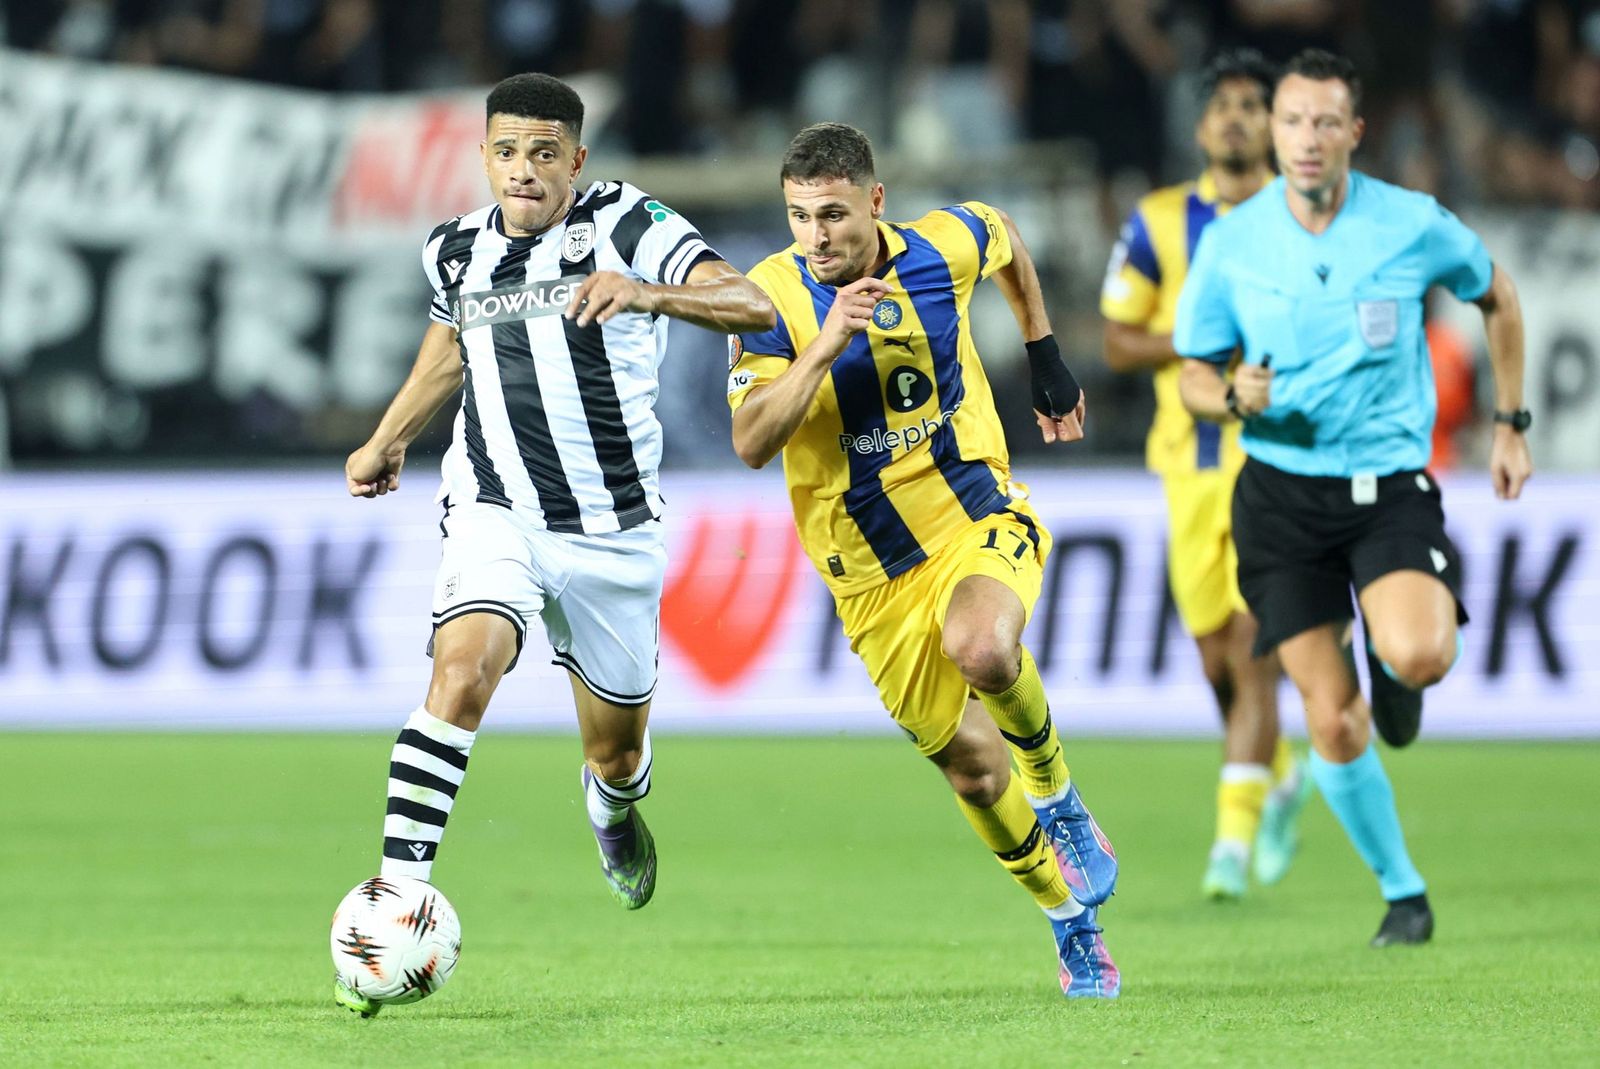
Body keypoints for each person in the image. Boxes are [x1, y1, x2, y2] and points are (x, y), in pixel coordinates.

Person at [337, 72, 774, 1014]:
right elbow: (449, 346)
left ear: (577, 159)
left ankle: (612, 811)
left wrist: (646, 293)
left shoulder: (628, 223)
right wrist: (389, 438)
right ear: (484, 158)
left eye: (544, 153)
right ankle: (396, 901)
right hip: (496, 508)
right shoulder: (454, 249)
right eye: (506, 152)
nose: (523, 170)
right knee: (463, 669)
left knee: (616, 755)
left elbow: (752, 303)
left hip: (615, 533)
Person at [727, 122, 1120, 999]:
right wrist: (824, 343)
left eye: (833, 214)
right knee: (974, 773)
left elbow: (1004, 234)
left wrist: (1045, 351)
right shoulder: (769, 298)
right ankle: (1069, 919)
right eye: (799, 217)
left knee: (982, 646)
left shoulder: (941, 246)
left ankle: (1059, 797)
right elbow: (751, 440)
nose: (817, 235)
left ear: (876, 200)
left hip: (973, 512)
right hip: (869, 579)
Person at [1175, 50, 1533, 946]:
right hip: (1280, 499)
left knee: (1419, 656)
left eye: (1326, 122)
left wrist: (1509, 423)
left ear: (1354, 133)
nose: (1307, 138)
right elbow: (1192, 375)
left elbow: (1498, 294)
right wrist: (1230, 396)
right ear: (1273, 131)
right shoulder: (1232, 242)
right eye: (1292, 121)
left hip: (1386, 491)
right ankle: (1404, 894)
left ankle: (1392, 655)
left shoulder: (1410, 223)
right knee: (1333, 722)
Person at [1101, 48, 1311, 902]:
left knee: (1254, 651)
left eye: (1251, 105)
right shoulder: (1158, 221)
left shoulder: (1305, 217)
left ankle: (1230, 845)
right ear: (1199, 127)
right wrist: (1197, 344)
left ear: (1275, 125)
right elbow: (1118, 340)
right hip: (1186, 466)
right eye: (1220, 104)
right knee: (1216, 657)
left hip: (1273, 462)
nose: (1234, 118)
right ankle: (1281, 772)